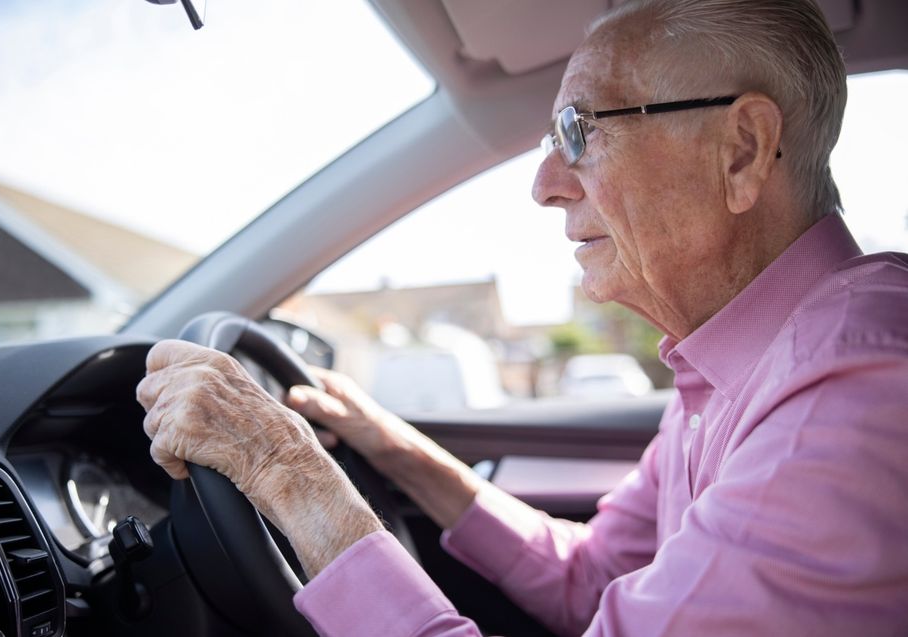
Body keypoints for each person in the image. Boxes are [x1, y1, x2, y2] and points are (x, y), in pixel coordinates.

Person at [135, 0, 908, 634]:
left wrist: (287, 472)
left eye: (580, 131)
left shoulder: (849, 395)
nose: (544, 184)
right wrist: (394, 445)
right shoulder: (739, 361)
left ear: (740, 150)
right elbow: (593, 575)